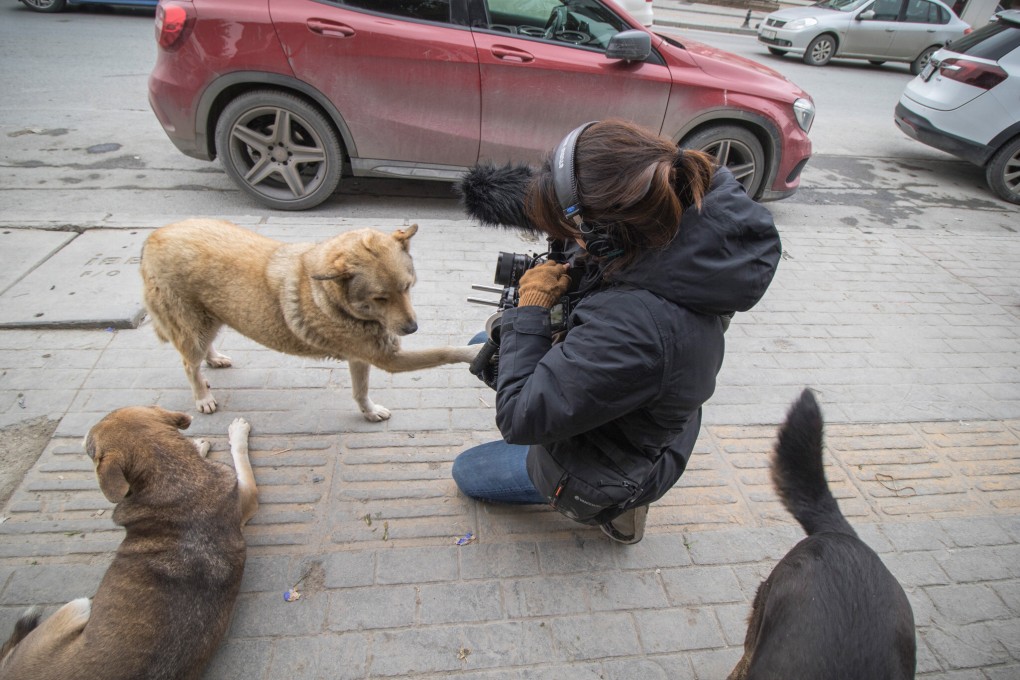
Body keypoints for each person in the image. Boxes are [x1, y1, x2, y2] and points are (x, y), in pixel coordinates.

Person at [452, 119, 781, 544]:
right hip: (645, 401)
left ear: (606, 232)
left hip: (610, 465)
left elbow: (519, 419)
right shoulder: (679, 211)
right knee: (486, 345)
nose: (574, 241)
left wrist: (533, 307)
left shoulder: (636, 324)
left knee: (468, 471)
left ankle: (621, 510)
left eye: (577, 232)